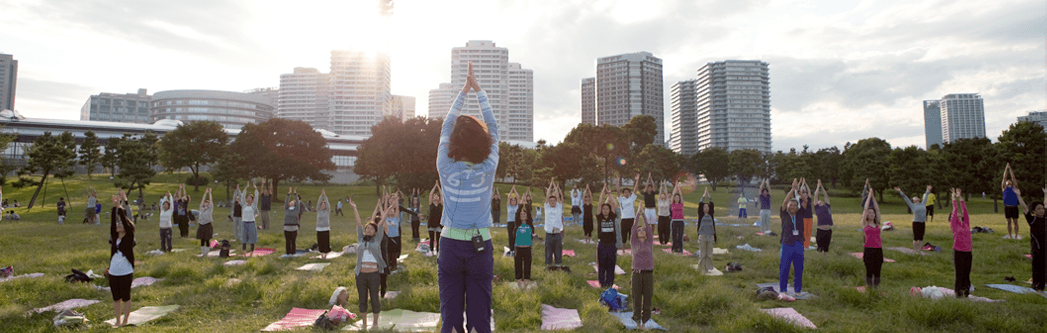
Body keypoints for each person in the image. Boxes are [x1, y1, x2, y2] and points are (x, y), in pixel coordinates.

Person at [436, 63, 498, 333]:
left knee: (450, 315)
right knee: (480, 316)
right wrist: (479, 91)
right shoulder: (489, 166)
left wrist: (463, 92)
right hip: (480, 245)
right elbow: (494, 128)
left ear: (454, 142)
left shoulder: (444, 165)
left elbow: (446, 126)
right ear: (481, 140)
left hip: (449, 243)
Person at [351, 197, 392, 331]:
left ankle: (375, 323)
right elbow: (358, 224)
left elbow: (381, 223)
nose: (368, 230)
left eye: (370, 228)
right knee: (362, 299)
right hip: (360, 275)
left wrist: (387, 210)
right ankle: (364, 323)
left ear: (375, 232)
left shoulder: (377, 239)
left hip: (374, 274)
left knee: (374, 298)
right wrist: (355, 208)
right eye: (367, 228)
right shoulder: (361, 238)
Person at [107, 194, 136, 327]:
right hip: (113, 272)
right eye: (118, 224)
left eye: (121, 224)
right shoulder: (114, 236)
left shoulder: (129, 237)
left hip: (126, 272)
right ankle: (118, 320)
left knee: (126, 298)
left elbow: (125, 223)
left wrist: (120, 209)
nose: (119, 225)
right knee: (115, 298)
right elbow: (113, 224)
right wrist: (114, 208)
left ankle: (125, 320)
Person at [1015, 187, 1047, 292]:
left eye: (1042, 209)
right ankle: (1036, 285)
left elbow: (1046, 204)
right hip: (1037, 249)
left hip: (1046, 248)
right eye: (1039, 209)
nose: (1041, 210)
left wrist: (1045, 194)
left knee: (1045, 269)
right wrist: (1019, 196)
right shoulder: (1032, 220)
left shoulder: (1046, 218)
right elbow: (1025, 209)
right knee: (1037, 268)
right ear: (1034, 211)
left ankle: (1042, 285)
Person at [779, 179, 807, 296]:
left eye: (795, 205)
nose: (792, 207)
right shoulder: (784, 214)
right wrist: (792, 189)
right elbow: (785, 202)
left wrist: (798, 191)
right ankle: (783, 290)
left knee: (798, 268)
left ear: (797, 207)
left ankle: (797, 290)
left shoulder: (800, 214)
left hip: (798, 243)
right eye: (791, 205)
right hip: (786, 243)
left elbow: (805, 201)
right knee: (784, 268)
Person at [630, 213, 655, 330]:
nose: (640, 231)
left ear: (646, 234)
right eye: (639, 230)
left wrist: (644, 215)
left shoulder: (649, 242)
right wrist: (637, 214)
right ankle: (636, 320)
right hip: (636, 274)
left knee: (648, 297)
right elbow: (633, 228)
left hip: (648, 274)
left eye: (642, 230)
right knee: (636, 297)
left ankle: (645, 320)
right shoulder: (634, 243)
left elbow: (649, 229)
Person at [595, 184, 622, 288]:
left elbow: (613, 204)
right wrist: (603, 192)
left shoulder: (612, 216)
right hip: (602, 244)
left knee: (611, 265)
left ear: (609, 210)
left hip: (611, 245)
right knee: (602, 265)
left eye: (607, 209)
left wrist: (610, 194)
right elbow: (600, 203)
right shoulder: (599, 217)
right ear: (601, 211)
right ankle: (602, 283)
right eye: (603, 209)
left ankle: (609, 283)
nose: (605, 210)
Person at [950, 188, 973, 298]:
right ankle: (958, 292)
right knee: (959, 273)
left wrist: (960, 198)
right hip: (958, 251)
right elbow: (955, 210)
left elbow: (965, 210)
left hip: (968, 251)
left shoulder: (966, 224)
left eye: (960, 213)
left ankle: (966, 291)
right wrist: (954, 199)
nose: (959, 213)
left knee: (967, 273)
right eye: (957, 213)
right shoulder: (954, 225)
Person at [896, 185, 931, 251]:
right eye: (915, 198)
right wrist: (900, 191)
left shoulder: (923, 204)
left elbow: (926, 195)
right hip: (916, 223)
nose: (917, 198)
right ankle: (915, 249)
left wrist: (928, 189)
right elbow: (905, 197)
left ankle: (919, 250)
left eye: (917, 197)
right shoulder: (912, 205)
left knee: (921, 237)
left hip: (922, 222)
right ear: (913, 201)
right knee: (916, 237)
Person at [861, 187, 883, 288]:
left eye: (872, 213)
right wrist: (869, 196)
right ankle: (870, 288)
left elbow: (877, 209)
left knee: (877, 270)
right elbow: (865, 209)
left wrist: (873, 197)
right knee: (869, 270)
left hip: (878, 250)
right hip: (868, 250)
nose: (871, 214)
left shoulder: (877, 223)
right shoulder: (864, 224)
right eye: (869, 213)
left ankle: (876, 288)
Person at [544, 178, 565, 268]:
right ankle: (549, 264)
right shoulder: (547, 208)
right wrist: (551, 183)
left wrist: (555, 188)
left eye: (554, 201)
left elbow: (557, 196)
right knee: (548, 249)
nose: (552, 202)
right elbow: (548, 195)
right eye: (551, 201)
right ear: (549, 202)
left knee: (558, 249)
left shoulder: (559, 207)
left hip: (557, 233)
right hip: (548, 233)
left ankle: (557, 264)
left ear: (556, 202)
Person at [696, 187, 717, 275]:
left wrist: (709, 195)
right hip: (702, 236)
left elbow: (712, 204)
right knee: (702, 254)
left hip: (710, 236)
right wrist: (704, 195)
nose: (706, 208)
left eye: (707, 207)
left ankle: (707, 268)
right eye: (704, 207)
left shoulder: (711, 215)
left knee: (709, 254)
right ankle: (701, 268)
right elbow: (700, 204)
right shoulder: (701, 215)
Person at [616, 174, 641, 248]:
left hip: (631, 218)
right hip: (624, 219)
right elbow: (617, 191)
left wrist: (637, 180)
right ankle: (623, 245)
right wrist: (617, 181)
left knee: (632, 233)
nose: (626, 193)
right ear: (623, 193)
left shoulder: (631, 198)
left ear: (629, 193)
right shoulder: (621, 199)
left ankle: (632, 245)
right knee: (624, 233)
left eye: (628, 192)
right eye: (625, 192)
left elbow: (635, 190)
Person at [514, 205, 535, 289]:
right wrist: (520, 206)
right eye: (521, 214)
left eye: (524, 214)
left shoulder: (530, 226)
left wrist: (526, 205)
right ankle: (519, 283)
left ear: (527, 217)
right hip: (518, 248)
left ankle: (526, 284)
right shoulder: (517, 226)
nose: (523, 215)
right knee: (518, 265)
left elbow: (529, 214)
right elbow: (516, 214)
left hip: (527, 248)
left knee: (527, 265)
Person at [237, 182, 260, 255]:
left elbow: (257, 197)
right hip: (244, 223)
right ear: (246, 199)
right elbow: (242, 196)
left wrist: (255, 189)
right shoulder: (244, 205)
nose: (249, 199)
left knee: (252, 237)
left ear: (252, 200)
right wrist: (246, 188)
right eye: (248, 198)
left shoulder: (253, 206)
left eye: (250, 198)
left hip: (251, 223)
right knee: (244, 237)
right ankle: (244, 251)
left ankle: (251, 252)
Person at [813, 180, 834, 252]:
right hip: (820, 230)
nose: (820, 201)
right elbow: (816, 196)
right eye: (819, 201)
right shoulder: (817, 208)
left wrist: (822, 187)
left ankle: (825, 260)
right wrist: (818, 187)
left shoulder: (827, 206)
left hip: (828, 230)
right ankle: (819, 259)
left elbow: (826, 196)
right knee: (819, 247)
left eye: (821, 201)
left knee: (826, 248)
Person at [283, 187, 305, 256]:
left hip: (294, 228)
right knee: (287, 242)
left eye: (293, 202)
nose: (291, 202)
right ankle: (288, 253)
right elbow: (286, 201)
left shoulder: (296, 210)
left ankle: (293, 253)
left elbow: (298, 202)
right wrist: (288, 194)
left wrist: (295, 193)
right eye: (291, 202)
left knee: (293, 241)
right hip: (287, 228)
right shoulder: (286, 209)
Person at [1002, 163, 1021, 239]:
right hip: (1007, 207)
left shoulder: (1014, 187)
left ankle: (1016, 235)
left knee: (1015, 222)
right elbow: (1004, 177)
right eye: (1007, 181)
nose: (1009, 181)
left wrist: (1010, 169)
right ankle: (1010, 235)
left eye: (1010, 181)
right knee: (1008, 222)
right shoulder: (1004, 188)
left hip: (1014, 207)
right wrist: (1006, 168)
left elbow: (1013, 178)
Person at [197, 188, 215, 257]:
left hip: (207, 225)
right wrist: (205, 193)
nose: (206, 204)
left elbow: (211, 201)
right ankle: (203, 252)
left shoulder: (210, 209)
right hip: (201, 225)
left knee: (207, 239)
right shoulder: (201, 209)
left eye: (208, 204)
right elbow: (202, 201)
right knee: (202, 239)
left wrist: (209, 193)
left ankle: (206, 253)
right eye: (205, 203)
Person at [640, 173, 658, 241]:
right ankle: (646, 234)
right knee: (646, 223)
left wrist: (651, 179)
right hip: (647, 209)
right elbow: (646, 185)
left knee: (653, 224)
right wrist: (648, 179)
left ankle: (652, 235)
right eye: (648, 188)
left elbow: (653, 185)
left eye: (650, 188)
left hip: (652, 209)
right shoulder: (645, 193)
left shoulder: (653, 193)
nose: (649, 189)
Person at [428, 181, 444, 254]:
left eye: (437, 196)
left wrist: (439, 187)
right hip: (431, 224)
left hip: (439, 224)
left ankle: (438, 252)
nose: (436, 197)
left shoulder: (441, 205)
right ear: (433, 198)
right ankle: (431, 251)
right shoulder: (431, 204)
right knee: (431, 239)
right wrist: (435, 186)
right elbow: (430, 194)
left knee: (438, 239)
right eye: (435, 196)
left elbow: (441, 194)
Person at [669, 181, 686, 253]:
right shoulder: (672, 204)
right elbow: (672, 195)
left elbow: (681, 196)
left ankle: (680, 248)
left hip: (681, 221)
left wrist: (679, 188)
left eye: (677, 197)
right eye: (675, 197)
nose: (676, 198)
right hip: (674, 221)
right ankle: (674, 248)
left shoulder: (681, 204)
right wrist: (675, 187)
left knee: (680, 235)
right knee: (674, 235)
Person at [316, 189, 332, 259]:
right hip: (319, 229)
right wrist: (320, 196)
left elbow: (328, 204)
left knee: (326, 242)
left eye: (323, 205)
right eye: (321, 205)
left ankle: (325, 254)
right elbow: (318, 204)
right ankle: (322, 254)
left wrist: (324, 196)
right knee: (320, 242)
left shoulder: (327, 211)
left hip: (326, 228)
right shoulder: (318, 211)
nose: (322, 206)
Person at [799, 178, 814, 249]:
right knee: (804, 232)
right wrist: (802, 184)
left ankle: (807, 245)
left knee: (809, 231)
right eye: (804, 194)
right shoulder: (801, 200)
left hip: (810, 217)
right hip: (803, 217)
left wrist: (806, 184)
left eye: (806, 194)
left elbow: (809, 191)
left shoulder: (809, 200)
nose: (805, 195)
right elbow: (800, 191)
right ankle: (803, 244)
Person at [506, 185, 521, 254]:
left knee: (517, 235)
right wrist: (511, 189)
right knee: (510, 235)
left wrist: (515, 190)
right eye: (512, 201)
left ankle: (517, 248)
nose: (513, 201)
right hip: (510, 222)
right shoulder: (509, 206)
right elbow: (508, 197)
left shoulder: (517, 206)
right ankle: (511, 249)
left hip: (516, 222)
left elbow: (518, 197)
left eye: (514, 200)